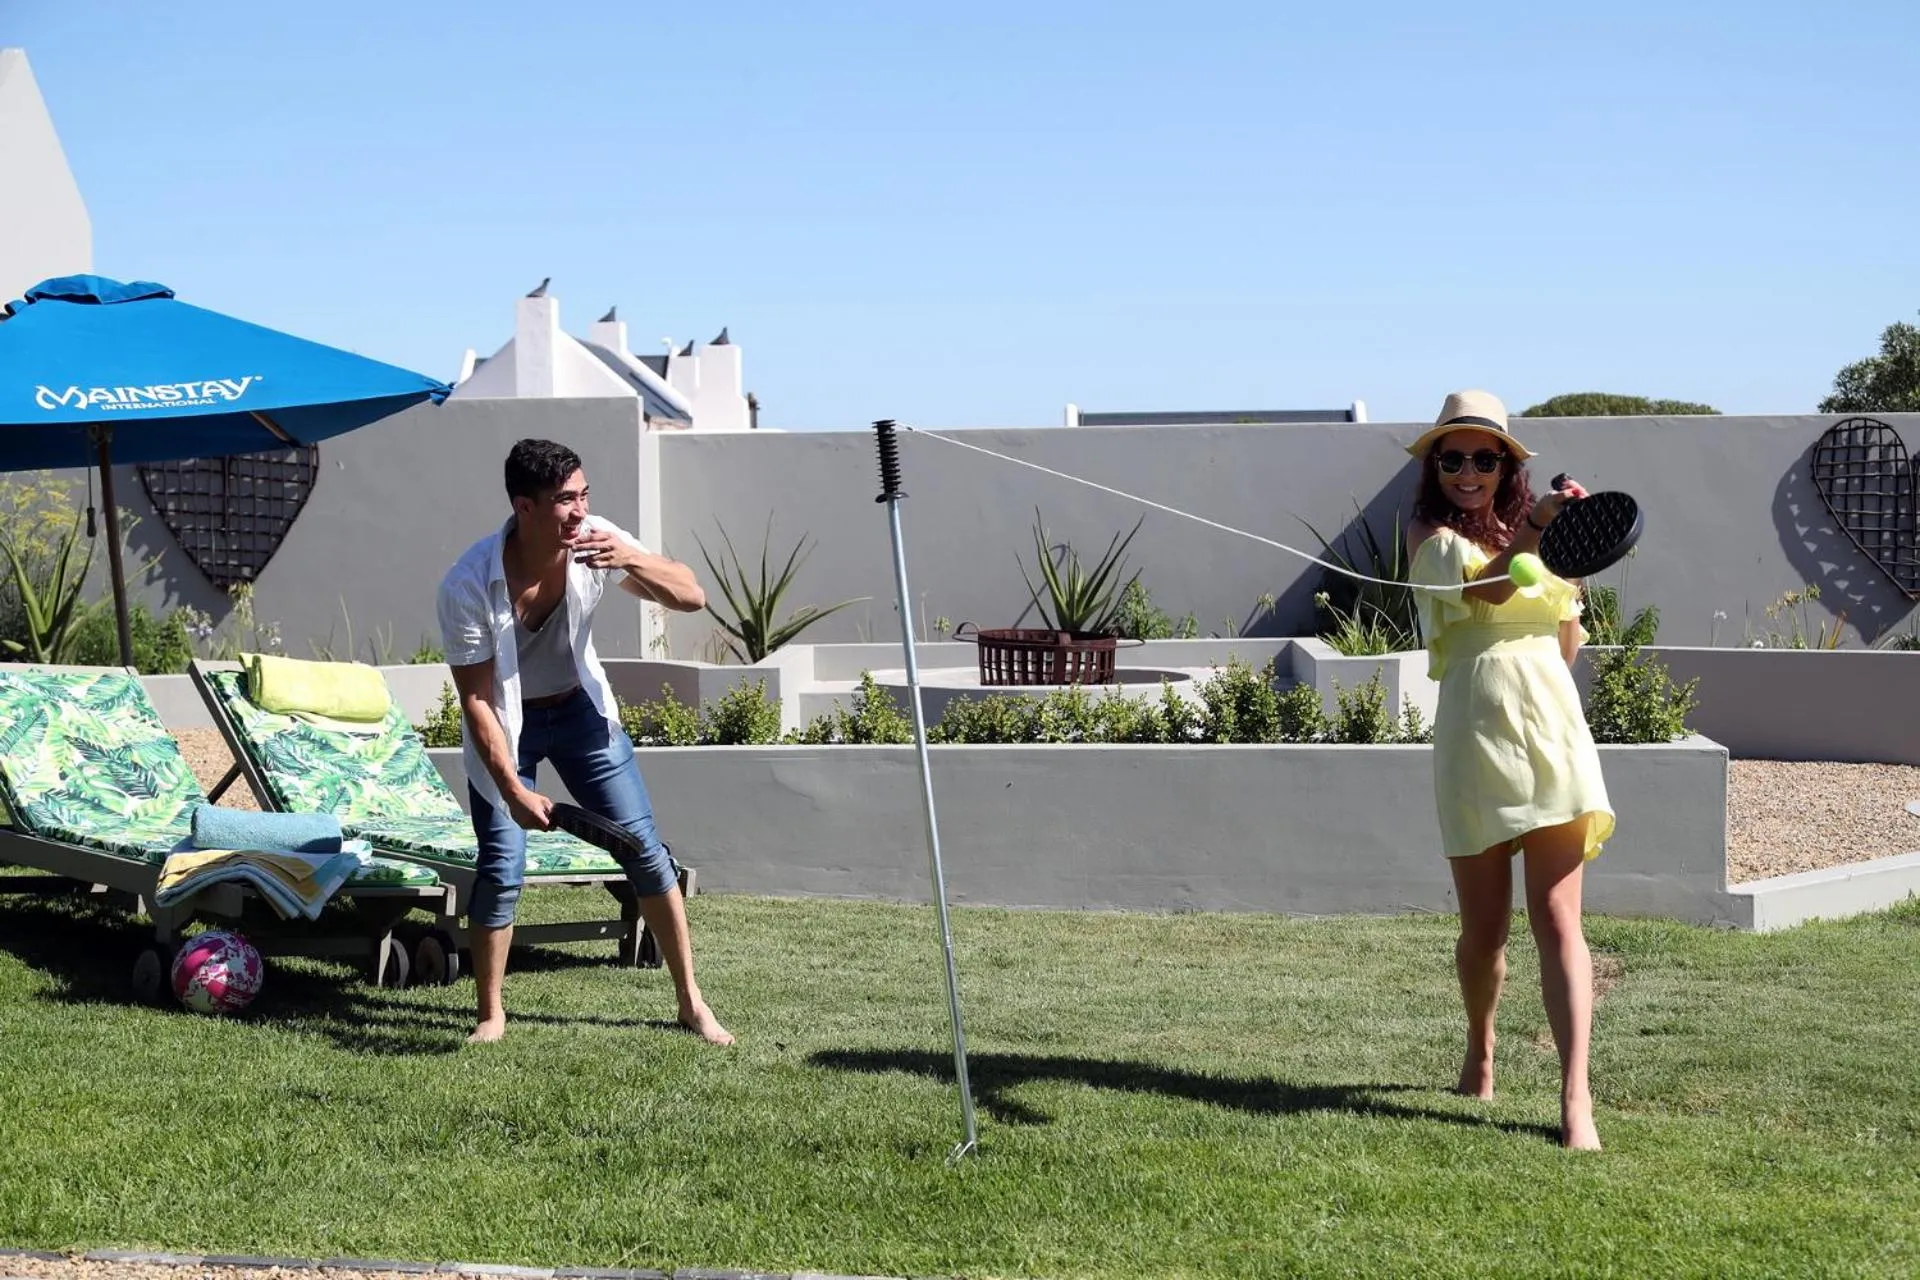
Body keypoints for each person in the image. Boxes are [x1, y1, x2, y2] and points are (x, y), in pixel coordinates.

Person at [437, 437, 732, 1047]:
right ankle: (491, 1013)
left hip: (579, 712)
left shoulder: (596, 540)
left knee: (644, 850)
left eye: (583, 495)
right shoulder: (467, 584)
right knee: (503, 864)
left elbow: (691, 595)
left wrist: (628, 558)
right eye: (564, 500)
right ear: (524, 507)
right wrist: (512, 788)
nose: (579, 511)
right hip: (508, 724)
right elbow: (477, 701)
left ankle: (692, 1003)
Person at [1403, 389, 1612, 1151]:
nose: (1466, 471)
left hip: (1552, 734)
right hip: (1475, 740)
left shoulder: (1544, 540)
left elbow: (1565, 643)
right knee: (1484, 932)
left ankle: (1575, 1098)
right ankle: (1480, 1049)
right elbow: (1485, 591)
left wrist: (1575, 543)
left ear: (1505, 466)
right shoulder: (1429, 535)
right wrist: (1537, 531)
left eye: (1483, 458)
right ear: (1435, 467)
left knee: (1560, 922)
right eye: (1451, 457)